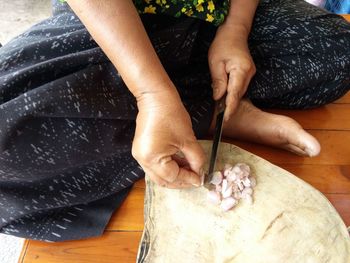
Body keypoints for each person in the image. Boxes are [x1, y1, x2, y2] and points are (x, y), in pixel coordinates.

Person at [0, 0, 349, 242]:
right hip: (111, 25)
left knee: (337, 53)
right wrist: (151, 94)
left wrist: (235, 32)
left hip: (212, 17)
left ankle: (203, 106)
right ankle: (207, 112)